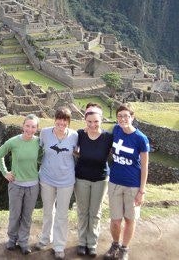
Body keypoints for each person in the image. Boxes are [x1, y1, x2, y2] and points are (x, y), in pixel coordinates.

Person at [103, 104, 150, 260]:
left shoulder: (141, 139)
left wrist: (141, 191)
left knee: (130, 219)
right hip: (115, 182)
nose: (123, 119)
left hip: (132, 185)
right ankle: (115, 244)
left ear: (132, 117)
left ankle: (124, 248)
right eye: (120, 116)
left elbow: (144, 166)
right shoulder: (116, 130)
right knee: (115, 220)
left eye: (126, 116)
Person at [36, 106, 78, 259]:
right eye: (58, 121)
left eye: (64, 122)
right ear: (54, 120)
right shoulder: (45, 133)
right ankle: (45, 238)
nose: (61, 125)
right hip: (47, 178)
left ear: (68, 122)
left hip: (66, 180)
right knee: (48, 211)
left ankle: (59, 246)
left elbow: (78, 153)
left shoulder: (74, 136)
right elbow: (38, 149)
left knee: (62, 214)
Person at [0, 114, 40, 255]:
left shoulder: (39, 142)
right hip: (16, 184)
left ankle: (24, 241)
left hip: (32, 185)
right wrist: (5, 173)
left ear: (37, 129)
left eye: (33, 127)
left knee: (27, 215)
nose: (30, 129)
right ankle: (12, 239)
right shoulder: (13, 142)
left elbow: (45, 158)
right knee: (15, 214)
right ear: (23, 126)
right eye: (27, 126)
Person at [74, 103, 114, 257]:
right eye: (89, 121)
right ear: (85, 121)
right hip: (82, 177)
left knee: (95, 212)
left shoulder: (108, 137)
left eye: (96, 121)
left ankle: (92, 243)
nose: (92, 125)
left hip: (100, 178)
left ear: (101, 120)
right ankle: (82, 242)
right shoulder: (80, 134)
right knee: (83, 212)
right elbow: (73, 149)